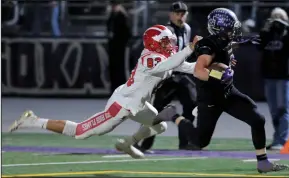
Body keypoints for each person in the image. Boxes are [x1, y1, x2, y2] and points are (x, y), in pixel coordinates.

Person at [8, 24, 199, 159]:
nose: (169, 45)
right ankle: (33, 120)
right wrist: (190, 48)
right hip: (121, 105)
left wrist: (214, 68)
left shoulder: (165, 57)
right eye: (165, 42)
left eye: (169, 41)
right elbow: (172, 63)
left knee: (160, 126)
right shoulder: (151, 59)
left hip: (138, 104)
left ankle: (127, 144)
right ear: (153, 43)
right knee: (80, 132)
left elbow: (188, 67)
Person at [162, 8, 289, 173]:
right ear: (219, 28)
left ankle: (263, 162)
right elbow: (199, 71)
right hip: (210, 98)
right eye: (230, 26)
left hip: (227, 93)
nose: (234, 29)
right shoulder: (208, 45)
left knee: (258, 119)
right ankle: (172, 115)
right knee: (200, 141)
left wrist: (233, 58)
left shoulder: (225, 40)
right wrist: (218, 74)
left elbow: (233, 47)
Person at [134, 1, 198, 152]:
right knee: (155, 112)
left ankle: (185, 142)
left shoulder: (187, 29)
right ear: (171, 14)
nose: (180, 16)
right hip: (166, 76)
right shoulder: (166, 32)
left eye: (183, 14)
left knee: (191, 104)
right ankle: (141, 143)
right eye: (177, 13)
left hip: (181, 75)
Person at [259, 7, 289, 150]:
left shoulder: (287, 33)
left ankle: (283, 139)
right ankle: (277, 138)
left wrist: (288, 28)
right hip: (270, 76)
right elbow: (260, 45)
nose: (276, 20)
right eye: (273, 16)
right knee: (274, 110)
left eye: (279, 17)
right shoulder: (268, 33)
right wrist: (265, 29)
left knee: (282, 109)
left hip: (284, 76)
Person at [107, 0, 132, 92]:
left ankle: (120, 88)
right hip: (113, 46)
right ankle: (113, 88)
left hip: (120, 47)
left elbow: (127, 33)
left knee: (120, 69)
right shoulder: (112, 16)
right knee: (113, 68)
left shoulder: (122, 16)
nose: (114, 7)